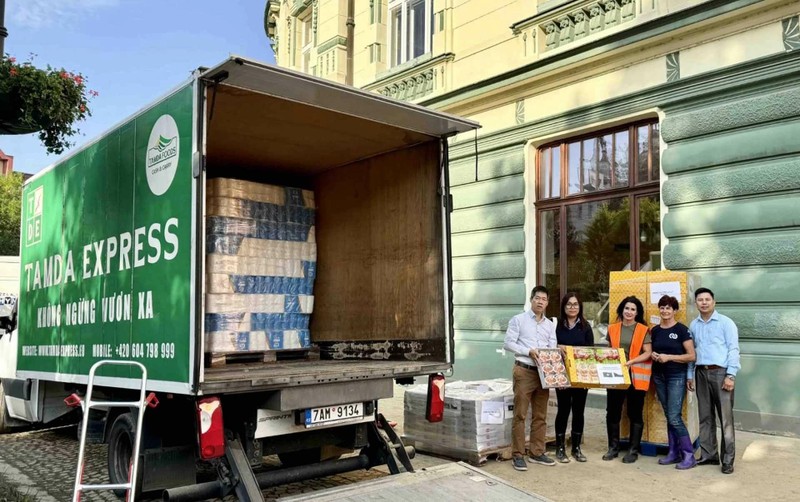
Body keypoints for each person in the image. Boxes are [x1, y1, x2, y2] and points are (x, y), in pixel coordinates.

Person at [503, 285, 558, 471]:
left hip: (543, 374)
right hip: (524, 371)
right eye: (537, 298)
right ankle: (518, 455)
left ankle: (537, 452)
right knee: (520, 414)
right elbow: (508, 343)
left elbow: (552, 347)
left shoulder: (550, 325)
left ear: (547, 303)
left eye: (544, 299)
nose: (540, 302)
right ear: (531, 299)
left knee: (540, 415)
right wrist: (528, 351)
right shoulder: (518, 320)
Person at [688, 287, 740, 475]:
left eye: (707, 299)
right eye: (700, 300)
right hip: (701, 372)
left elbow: (733, 349)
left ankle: (728, 460)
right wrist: (689, 375)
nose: (703, 302)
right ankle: (709, 454)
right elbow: (692, 353)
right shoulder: (694, 325)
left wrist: (731, 375)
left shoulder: (726, 323)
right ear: (696, 304)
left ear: (714, 302)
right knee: (705, 416)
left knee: (725, 419)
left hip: (721, 373)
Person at [603, 296, 652, 463]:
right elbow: (609, 350)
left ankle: (633, 450)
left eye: (633, 309)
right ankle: (613, 448)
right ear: (621, 310)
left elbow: (648, 352)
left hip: (635, 376)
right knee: (613, 411)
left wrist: (631, 362)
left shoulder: (642, 329)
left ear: (637, 313)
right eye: (626, 308)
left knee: (634, 412)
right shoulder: (613, 328)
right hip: (616, 374)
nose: (629, 312)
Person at [650, 295, 696, 469]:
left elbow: (692, 356)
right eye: (662, 307)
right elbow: (652, 351)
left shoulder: (682, 330)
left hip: (676, 376)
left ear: (675, 310)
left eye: (668, 308)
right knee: (669, 414)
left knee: (674, 417)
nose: (665, 311)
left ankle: (688, 455)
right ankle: (673, 452)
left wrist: (669, 357)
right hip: (659, 376)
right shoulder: (655, 331)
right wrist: (654, 355)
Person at [554, 292, 594, 463]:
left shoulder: (585, 327)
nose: (572, 307)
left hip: (580, 375)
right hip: (561, 374)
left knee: (579, 411)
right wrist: (558, 346)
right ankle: (560, 447)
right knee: (563, 409)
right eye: (569, 304)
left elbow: (590, 352)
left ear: (580, 307)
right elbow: (548, 345)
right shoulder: (556, 325)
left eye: (575, 304)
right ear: (564, 307)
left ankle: (576, 448)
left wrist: (588, 377)